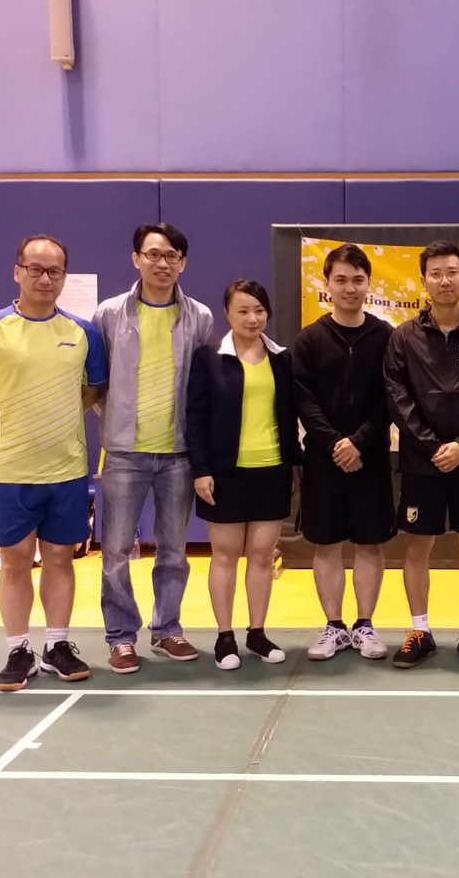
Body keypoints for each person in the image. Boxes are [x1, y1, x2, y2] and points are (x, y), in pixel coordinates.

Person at [0, 235, 108, 692]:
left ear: (64, 277)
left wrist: (59, 422)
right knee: (15, 560)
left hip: (66, 469)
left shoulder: (83, 333)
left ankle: (57, 645)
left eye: (54, 271)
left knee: (61, 558)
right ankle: (18, 650)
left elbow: (93, 389)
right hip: (8, 471)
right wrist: (5, 427)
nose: (44, 278)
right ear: (17, 271)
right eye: (35, 269)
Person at [92, 223, 213, 674]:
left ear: (183, 263)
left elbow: (202, 386)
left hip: (178, 454)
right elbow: (96, 380)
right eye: (154, 254)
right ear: (136, 259)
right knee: (116, 551)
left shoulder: (200, 317)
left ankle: (167, 630)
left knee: (174, 550)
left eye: (172, 256)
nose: (163, 263)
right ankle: (121, 638)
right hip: (124, 454)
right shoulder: (109, 314)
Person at [384, 240, 459, 670]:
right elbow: (398, 399)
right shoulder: (404, 337)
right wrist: (433, 446)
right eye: (435, 273)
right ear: (423, 281)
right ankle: (420, 631)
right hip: (422, 463)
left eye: (452, 272)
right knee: (417, 548)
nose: (444, 280)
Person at [185, 279, 300, 670]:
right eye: (243, 311)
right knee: (225, 556)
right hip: (223, 474)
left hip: (271, 470)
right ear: (227, 314)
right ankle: (224, 636)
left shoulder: (281, 359)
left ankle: (257, 633)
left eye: (259, 310)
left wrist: (292, 466)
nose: (253, 318)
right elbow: (196, 418)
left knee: (263, 556)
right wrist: (201, 470)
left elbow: (289, 415)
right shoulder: (208, 358)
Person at [292, 243, 395, 661]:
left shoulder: (387, 337)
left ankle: (365, 625)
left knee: (370, 544)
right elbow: (303, 399)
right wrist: (336, 443)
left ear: (368, 283)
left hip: (371, 458)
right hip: (323, 459)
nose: (350, 288)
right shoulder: (309, 339)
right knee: (327, 544)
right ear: (327, 284)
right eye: (341, 280)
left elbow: (391, 398)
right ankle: (334, 626)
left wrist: (359, 442)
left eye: (357, 280)